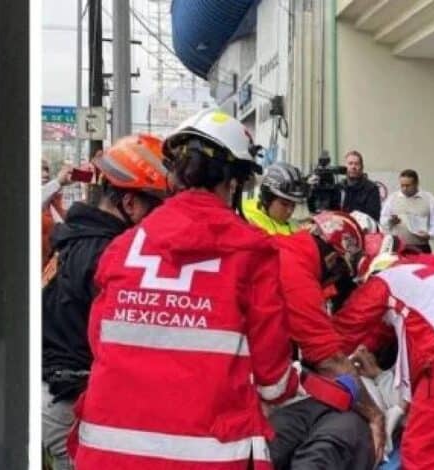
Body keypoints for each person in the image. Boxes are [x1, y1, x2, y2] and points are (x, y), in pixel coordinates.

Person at [70, 109, 301, 469]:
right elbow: (272, 377)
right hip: (208, 457)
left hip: (107, 452)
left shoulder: (124, 247)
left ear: (174, 174)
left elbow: (100, 340)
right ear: (234, 182)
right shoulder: (251, 251)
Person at [42, 134, 169, 470]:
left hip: (62, 397)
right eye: (160, 207)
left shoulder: (77, 239)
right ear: (130, 204)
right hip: (76, 405)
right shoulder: (110, 256)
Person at [268, 211, 384, 469]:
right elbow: (328, 359)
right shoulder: (296, 275)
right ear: (333, 258)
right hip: (325, 404)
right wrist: (376, 416)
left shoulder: (280, 250)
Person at [334, 250, 434, 469]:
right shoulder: (428, 277)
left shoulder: (384, 283)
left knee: (422, 452)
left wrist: (322, 362)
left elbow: (345, 328)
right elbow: (382, 330)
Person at [380, 169, 434, 254]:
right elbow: (383, 219)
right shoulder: (392, 198)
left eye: (408, 185)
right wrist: (390, 221)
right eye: (402, 185)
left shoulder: (429, 198)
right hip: (397, 248)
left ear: (416, 184)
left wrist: (430, 234)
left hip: (421, 247)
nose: (404, 188)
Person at [243, 161, 307, 235]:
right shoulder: (245, 218)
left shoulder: (293, 226)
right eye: (284, 204)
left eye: (293, 205)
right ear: (267, 199)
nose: (290, 211)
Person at [42, 161, 71, 267]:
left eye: (46, 169)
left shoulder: (54, 200)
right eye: (40, 169)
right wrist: (58, 182)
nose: (45, 174)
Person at [341, 150, 381, 220]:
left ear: (362, 167)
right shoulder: (339, 187)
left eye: (356, 164)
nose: (353, 167)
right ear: (345, 167)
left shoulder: (371, 189)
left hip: (361, 229)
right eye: (350, 163)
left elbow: (373, 217)